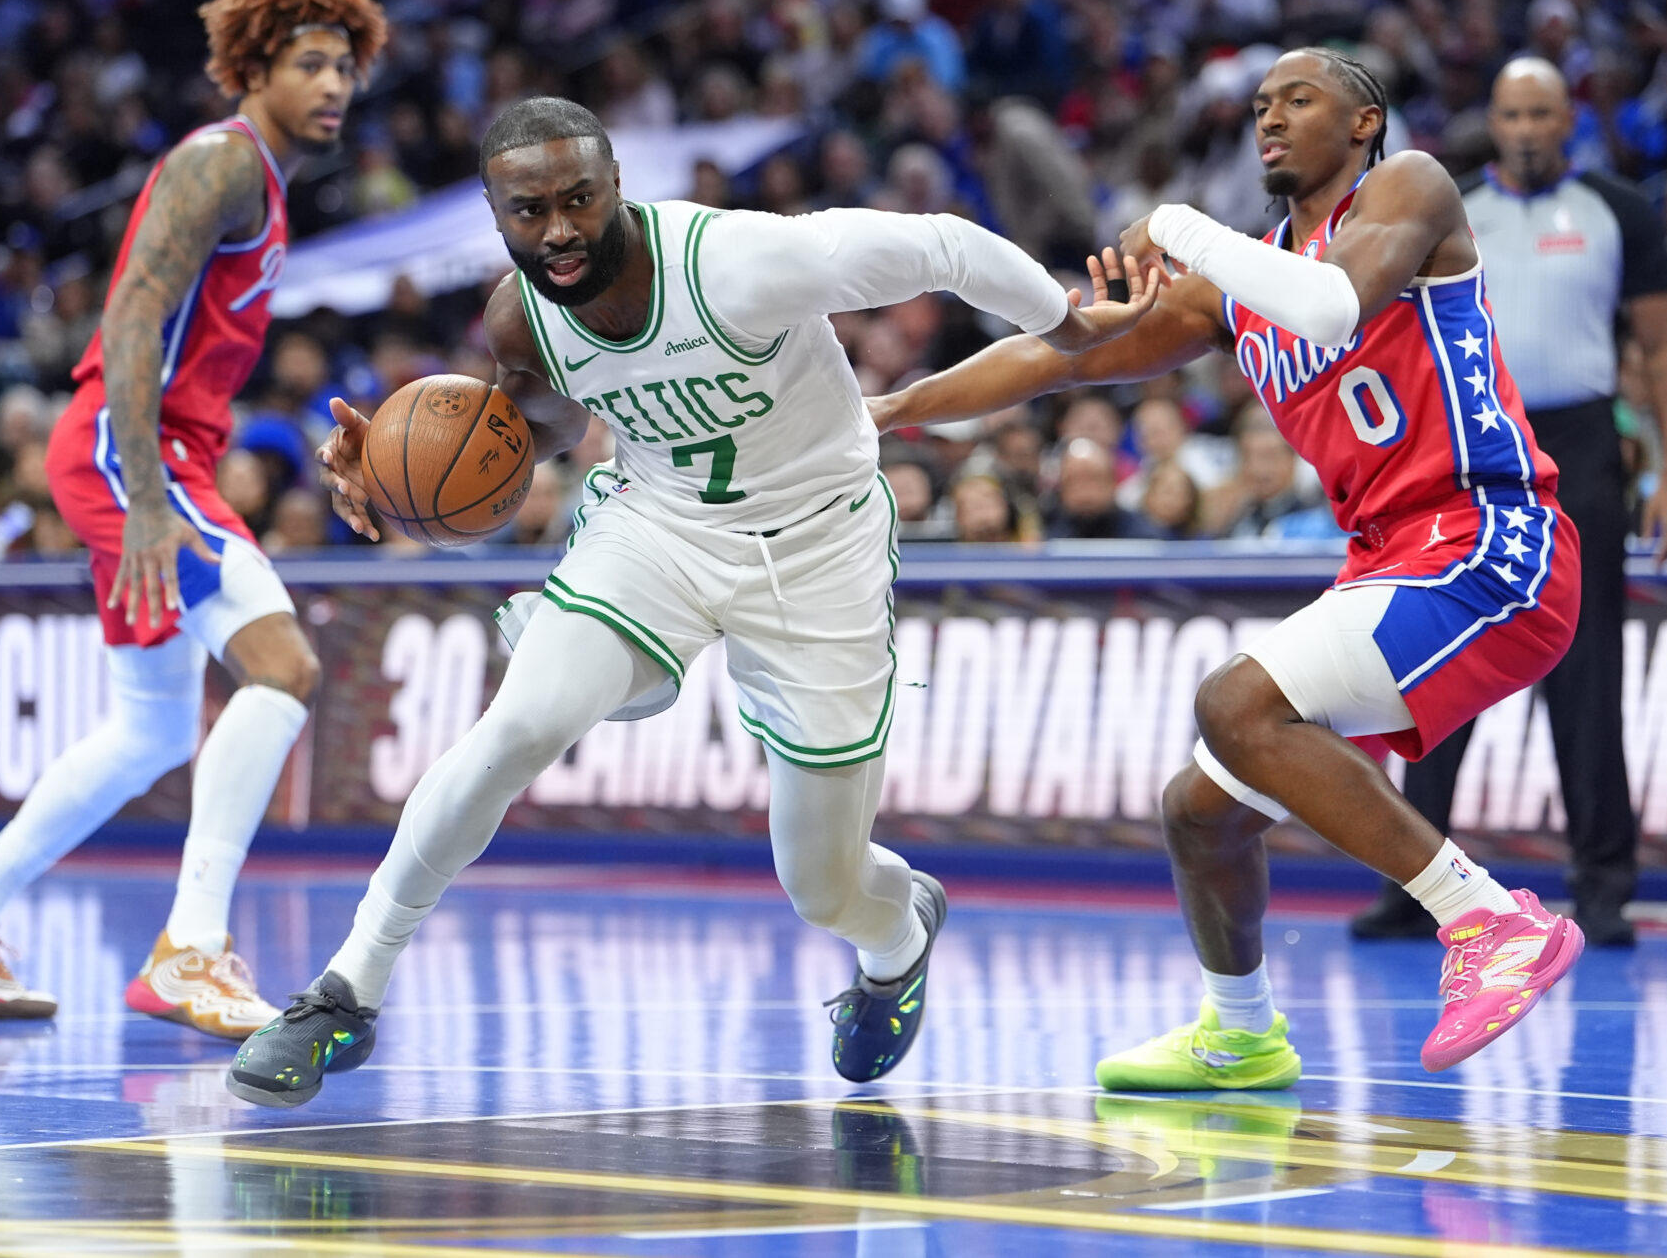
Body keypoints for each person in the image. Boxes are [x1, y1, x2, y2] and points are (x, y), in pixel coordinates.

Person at [225, 96, 1162, 1107]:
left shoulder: (737, 264)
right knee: (517, 727)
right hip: (658, 528)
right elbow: (533, 429)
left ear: (616, 182)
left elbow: (941, 245)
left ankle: (897, 935)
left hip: (818, 553)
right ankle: (346, 992)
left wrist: (1064, 326)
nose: (560, 229)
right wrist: (394, 468)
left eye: (578, 198)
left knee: (822, 883)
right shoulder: (518, 313)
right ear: (497, 219)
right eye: (529, 211)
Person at [870, 48, 1585, 1087]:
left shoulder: (1408, 187)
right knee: (1198, 811)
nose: (1269, 118)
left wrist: (1173, 224)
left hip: (1490, 537)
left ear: (1360, 121)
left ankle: (1487, 922)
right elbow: (1060, 351)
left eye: (1298, 99)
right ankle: (1238, 1032)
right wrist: (899, 406)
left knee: (1236, 706)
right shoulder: (1234, 290)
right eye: (1257, 106)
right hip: (1391, 558)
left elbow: (1333, 306)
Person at [0, 0, 387, 1038]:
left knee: (150, 727)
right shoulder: (219, 161)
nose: (334, 83)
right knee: (283, 667)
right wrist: (150, 500)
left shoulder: (267, 185)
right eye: (309, 63)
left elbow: (195, 354)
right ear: (252, 70)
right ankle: (190, 949)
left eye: (345, 66)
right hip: (131, 453)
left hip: (163, 453)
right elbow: (128, 317)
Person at [1351, 58, 1667, 947]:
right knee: (1435, 671)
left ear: (1569, 117)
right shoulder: (1448, 208)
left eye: (1544, 113)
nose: (1529, 128)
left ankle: (1605, 883)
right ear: (1493, 121)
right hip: (1472, 445)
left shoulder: (1619, 211)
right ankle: (1415, 884)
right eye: (1513, 114)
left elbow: (1661, 350)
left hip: (1581, 448)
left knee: (1588, 678)